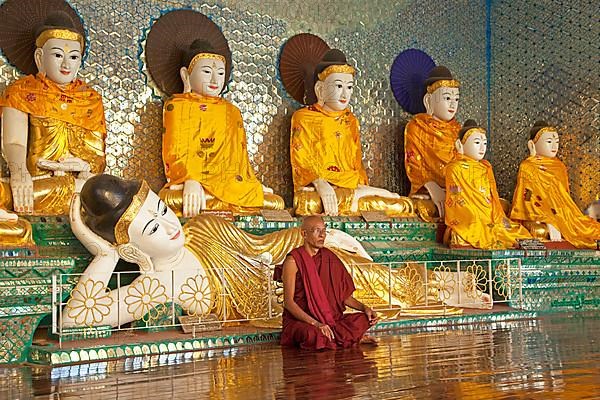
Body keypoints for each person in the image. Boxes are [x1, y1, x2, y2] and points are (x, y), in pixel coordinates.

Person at [62, 174, 383, 328]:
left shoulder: (197, 226)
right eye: (153, 228)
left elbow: (254, 245)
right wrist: (104, 255)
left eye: (161, 210)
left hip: (282, 252)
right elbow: (74, 319)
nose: (169, 224)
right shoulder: (156, 285)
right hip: (275, 287)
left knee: (352, 262)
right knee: (364, 284)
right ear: (132, 250)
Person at [150, 30, 284, 217]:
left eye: (220, 73)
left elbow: (240, 160)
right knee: (170, 199)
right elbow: (175, 149)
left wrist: (249, 181)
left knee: (275, 203)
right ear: (186, 76)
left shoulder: (231, 111)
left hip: (232, 184)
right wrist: (190, 179)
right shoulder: (178, 106)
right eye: (206, 71)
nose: (215, 80)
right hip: (197, 186)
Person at [0, 11, 106, 215]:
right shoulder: (22, 92)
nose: (66, 65)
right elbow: (14, 142)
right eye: (58, 55)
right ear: (39, 57)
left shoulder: (91, 99)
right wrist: (19, 173)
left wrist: (82, 165)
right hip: (36, 184)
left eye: (74, 57)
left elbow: (98, 159)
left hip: (81, 185)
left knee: (113, 192)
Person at [287, 48, 414, 217]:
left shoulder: (350, 120)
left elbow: (356, 165)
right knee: (309, 204)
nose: (344, 93)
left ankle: (358, 196)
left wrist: (363, 188)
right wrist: (319, 182)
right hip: (318, 189)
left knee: (402, 206)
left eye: (349, 87)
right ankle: (357, 197)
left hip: (351, 185)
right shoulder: (304, 117)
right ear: (320, 89)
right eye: (338, 86)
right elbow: (301, 160)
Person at [280, 216, 379, 350]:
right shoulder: (293, 261)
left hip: (330, 320)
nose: (322, 235)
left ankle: (343, 337)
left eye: (324, 230)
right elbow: (289, 303)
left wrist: (365, 308)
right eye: (317, 231)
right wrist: (316, 323)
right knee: (313, 335)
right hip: (303, 321)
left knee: (364, 319)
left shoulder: (329, 257)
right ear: (304, 234)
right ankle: (348, 338)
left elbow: (343, 297)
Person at [510, 121, 600, 248]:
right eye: (549, 142)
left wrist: (560, 219)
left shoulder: (560, 167)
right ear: (532, 144)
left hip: (562, 214)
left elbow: (564, 199)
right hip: (535, 215)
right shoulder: (528, 166)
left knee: (586, 227)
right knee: (539, 231)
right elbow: (527, 197)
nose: (554, 146)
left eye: (556, 142)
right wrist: (548, 221)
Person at [444, 121, 531, 249]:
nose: (482, 148)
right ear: (460, 144)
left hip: (489, 211)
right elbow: (456, 196)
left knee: (512, 229)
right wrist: (474, 212)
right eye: (477, 143)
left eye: (484, 143)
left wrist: (493, 212)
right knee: (476, 224)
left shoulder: (485, 167)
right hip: (467, 212)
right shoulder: (454, 167)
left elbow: (491, 196)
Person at [404, 66, 461, 220]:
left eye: (456, 99)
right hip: (427, 194)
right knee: (419, 208)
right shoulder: (417, 126)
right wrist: (430, 185)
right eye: (447, 98)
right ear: (429, 100)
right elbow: (413, 164)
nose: (452, 105)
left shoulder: (459, 130)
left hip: (456, 192)